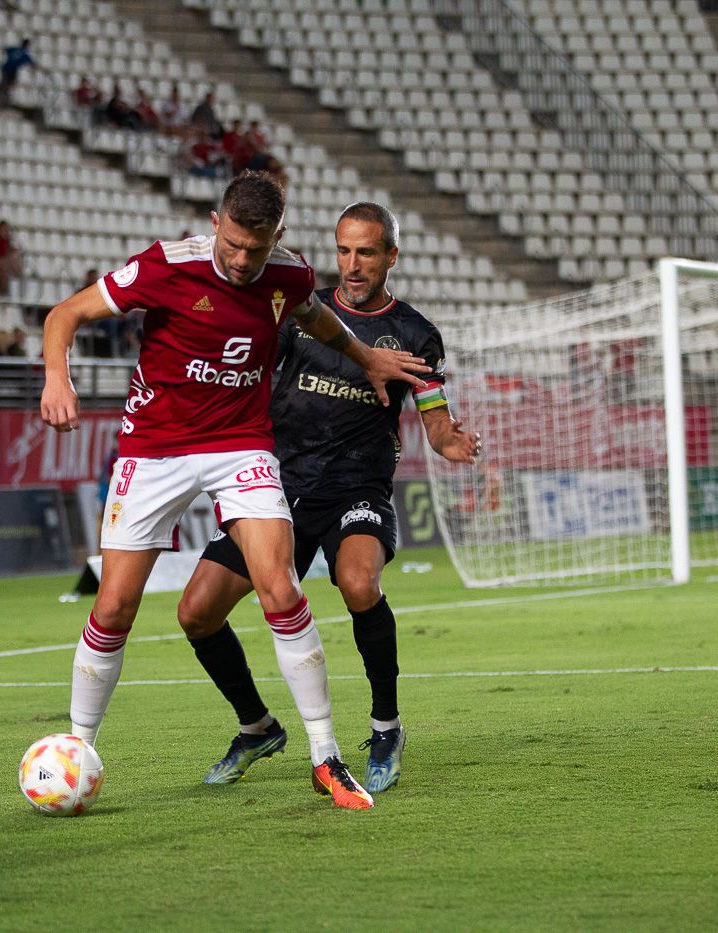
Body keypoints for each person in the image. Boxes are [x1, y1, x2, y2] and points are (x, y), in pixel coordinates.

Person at [38, 171, 431, 810]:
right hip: (153, 449)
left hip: (239, 444)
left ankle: (326, 757)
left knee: (280, 587)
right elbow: (66, 313)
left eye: (258, 248)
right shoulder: (166, 267)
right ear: (216, 223)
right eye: (234, 246)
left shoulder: (289, 273)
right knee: (113, 609)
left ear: (276, 236)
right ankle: (78, 749)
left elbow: (316, 318)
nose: (244, 262)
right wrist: (58, 377)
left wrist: (365, 357)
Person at [177, 203, 482, 794]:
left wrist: (452, 442)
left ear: (391, 256)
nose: (352, 265)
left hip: (356, 486)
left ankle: (386, 726)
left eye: (366, 252)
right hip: (279, 486)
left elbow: (434, 421)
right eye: (344, 250)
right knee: (196, 613)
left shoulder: (415, 334)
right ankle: (257, 726)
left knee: (360, 584)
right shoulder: (301, 312)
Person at [0, 37, 36, 102]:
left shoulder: (14, 49)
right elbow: (33, 64)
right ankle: (7, 99)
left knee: (5, 85)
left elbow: (5, 49)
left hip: (6, 68)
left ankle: (5, 98)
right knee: (10, 84)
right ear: (27, 45)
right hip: (12, 69)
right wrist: (44, 70)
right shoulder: (24, 54)